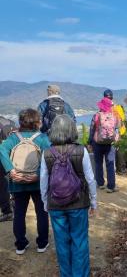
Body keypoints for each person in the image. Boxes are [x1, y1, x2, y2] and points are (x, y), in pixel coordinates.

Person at [40, 115, 97, 277]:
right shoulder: (81, 150)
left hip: (55, 204)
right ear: (72, 130)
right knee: (79, 241)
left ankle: (66, 274)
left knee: (61, 243)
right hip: (79, 203)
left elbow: (44, 180)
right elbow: (90, 179)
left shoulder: (47, 153)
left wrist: (45, 201)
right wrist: (94, 202)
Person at [0, 109, 50, 255]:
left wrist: (11, 171)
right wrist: (38, 174)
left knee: (19, 212)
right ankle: (42, 243)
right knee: (41, 212)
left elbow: (1, 150)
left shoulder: (13, 138)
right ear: (36, 122)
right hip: (37, 182)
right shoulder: (42, 138)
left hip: (17, 182)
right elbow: (48, 157)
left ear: (21, 122)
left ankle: (20, 245)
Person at [88, 95, 120, 193]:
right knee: (110, 164)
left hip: (97, 142)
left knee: (98, 163)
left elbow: (92, 129)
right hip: (110, 143)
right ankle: (111, 186)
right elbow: (118, 129)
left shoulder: (97, 115)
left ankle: (100, 183)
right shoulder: (115, 115)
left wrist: (89, 142)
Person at [0, 116, 16, 222]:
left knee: (2, 184)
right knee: (10, 182)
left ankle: (7, 212)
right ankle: (14, 207)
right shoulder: (10, 122)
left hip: (2, 157)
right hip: (13, 156)